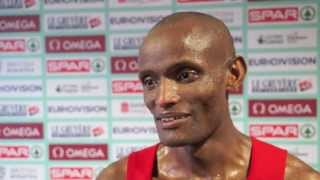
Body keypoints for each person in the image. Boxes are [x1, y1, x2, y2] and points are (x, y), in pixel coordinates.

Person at [98, 12, 320, 180]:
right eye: (150, 82)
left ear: (234, 74)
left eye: (185, 75)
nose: (163, 98)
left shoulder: (296, 177)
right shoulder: (117, 176)